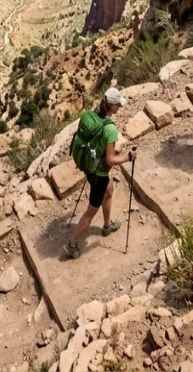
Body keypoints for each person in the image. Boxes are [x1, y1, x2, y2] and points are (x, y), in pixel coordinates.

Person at [64, 89, 136, 259]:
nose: (119, 107)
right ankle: (72, 243)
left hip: (89, 167)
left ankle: (107, 225)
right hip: (99, 173)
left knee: (109, 191)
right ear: (111, 105)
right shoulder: (109, 129)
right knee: (91, 211)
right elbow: (110, 160)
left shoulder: (90, 116)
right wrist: (128, 157)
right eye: (118, 104)